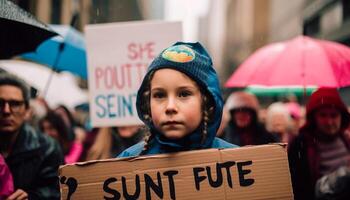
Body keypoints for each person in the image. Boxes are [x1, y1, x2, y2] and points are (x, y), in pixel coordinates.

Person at [118, 42, 237, 157]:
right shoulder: (128, 161)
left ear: (206, 102)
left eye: (184, 94)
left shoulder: (236, 160)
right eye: (159, 95)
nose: (170, 107)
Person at [0, 73, 64, 200]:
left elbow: (58, 190)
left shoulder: (47, 147)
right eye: (0, 103)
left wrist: (31, 197)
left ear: (27, 110)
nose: (6, 110)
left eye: (15, 104)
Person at [288, 88, 350, 200]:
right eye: (323, 115)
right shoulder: (301, 145)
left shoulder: (347, 139)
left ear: (342, 116)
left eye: (334, 115)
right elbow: (300, 189)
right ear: (314, 118)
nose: (329, 122)